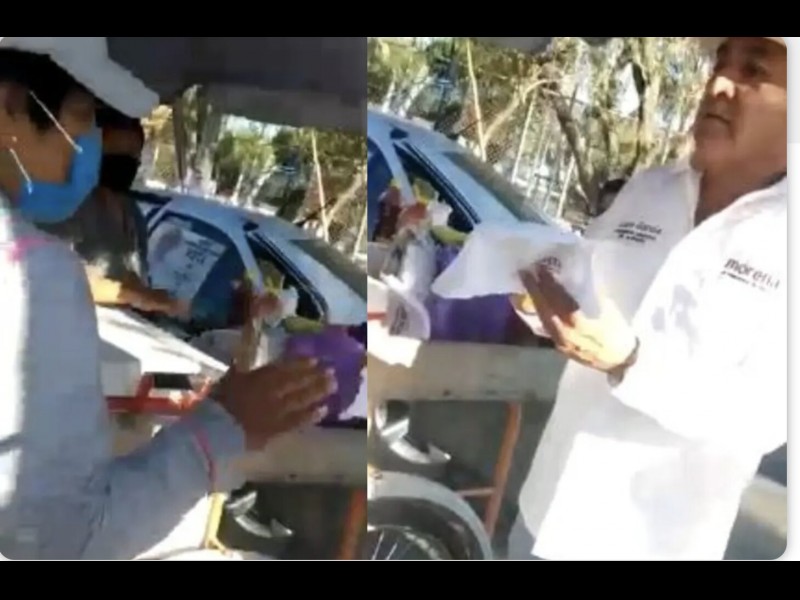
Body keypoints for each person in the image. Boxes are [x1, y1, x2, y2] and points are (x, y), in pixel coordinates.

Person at [0, 37, 335, 560]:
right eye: (83, 118)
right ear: (10, 106)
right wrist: (221, 430)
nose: (87, 147)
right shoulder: (32, 270)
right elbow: (61, 541)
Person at [509, 37, 787, 561]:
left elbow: (765, 416)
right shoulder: (648, 189)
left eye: (753, 70)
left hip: (652, 544)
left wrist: (632, 363)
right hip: (543, 517)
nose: (718, 84)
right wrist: (539, 304)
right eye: (719, 63)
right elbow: (581, 290)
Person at [40, 106, 187, 316]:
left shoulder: (133, 214)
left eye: (133, 154)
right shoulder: (67, 204)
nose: (127, 159)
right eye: (118, 150)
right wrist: (130, 295)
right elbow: (52, 273)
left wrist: (156, 299)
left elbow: (133, 277)